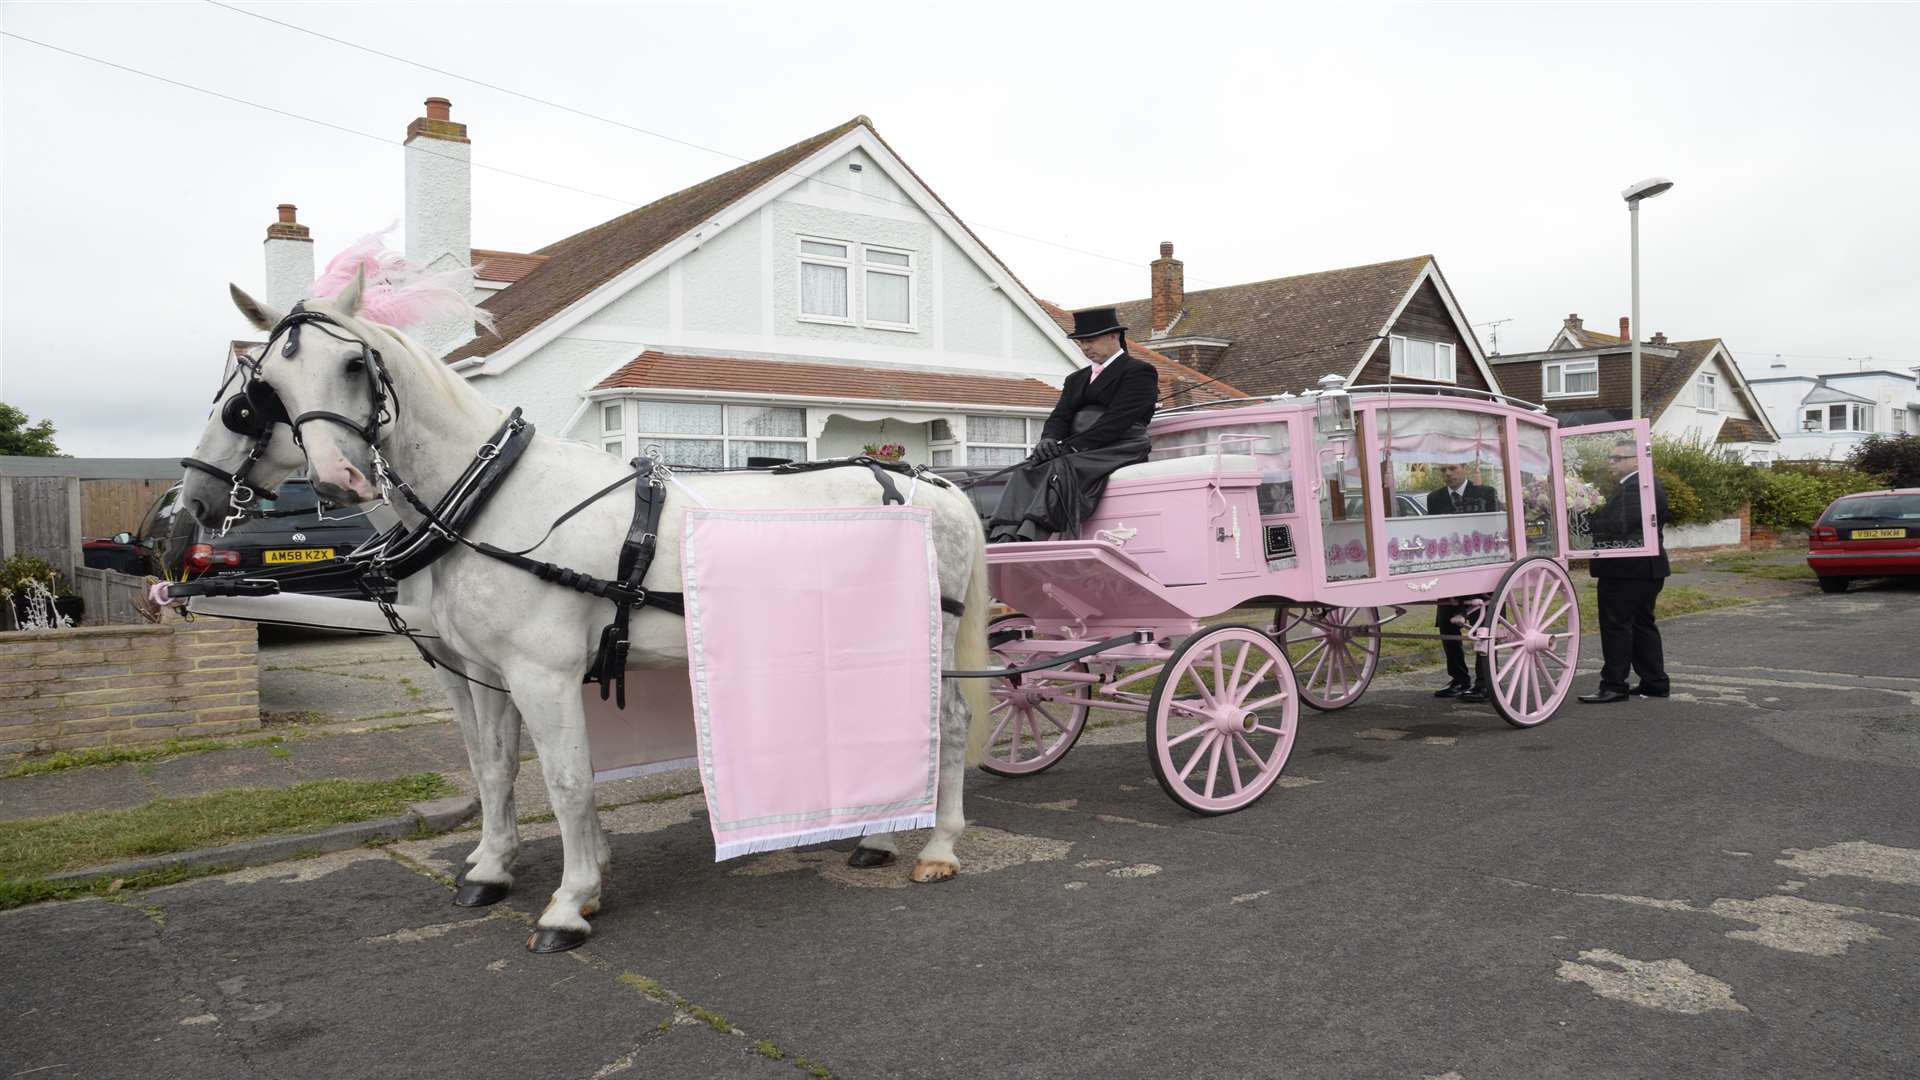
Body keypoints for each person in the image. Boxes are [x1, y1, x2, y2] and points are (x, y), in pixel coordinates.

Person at [986, 307, 1158, 543]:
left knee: (1060, 468)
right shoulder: (1076, 379)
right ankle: (1003, 533)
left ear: (1113, 336)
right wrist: (1048, 439)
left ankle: (1032, 534)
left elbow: (1119, 420)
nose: (1086, 348)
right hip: (1079, 445)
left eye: (1091, 340)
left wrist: (1074, 446)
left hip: (1120, 445)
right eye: (1081, 342)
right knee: (1027, 469)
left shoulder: (1139, 372)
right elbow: (1060, 416)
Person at [1579, 438, 1670, 704]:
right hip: (1642, 568)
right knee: (1642, 626)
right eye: (1611, 457)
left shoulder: (1636, 488)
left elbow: (1618, 526)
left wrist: (1584, 514)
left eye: (1617, 457)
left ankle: (1614, 685)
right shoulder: (1636, 486)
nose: (1611, 461)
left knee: (1617, 626)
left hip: (1627, 569)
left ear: (1634, 460)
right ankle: (1654, 682)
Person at [1429, 462, 1501, 701]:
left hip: (1480, 564)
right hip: (1448, 565)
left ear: (1465, 469)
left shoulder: (1485, 493)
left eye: (1452, 468)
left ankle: (1485, 681)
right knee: (1446, 624)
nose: (1447, 473)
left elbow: (1492, 526)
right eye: (1443, 470)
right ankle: (1459, 679)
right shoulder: (1435, 498)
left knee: (1483, 623)